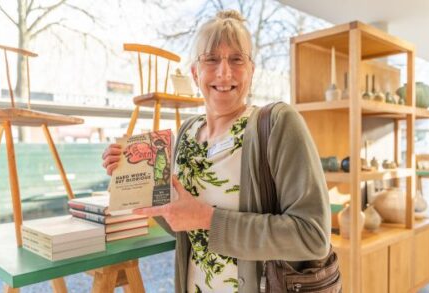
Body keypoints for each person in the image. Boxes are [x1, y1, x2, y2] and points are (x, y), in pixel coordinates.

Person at [102, 10, 330, 293]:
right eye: (211, 59)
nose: (224, 72)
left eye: (237, 59)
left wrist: (208, 219)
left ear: (251, 71)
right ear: (196, 72)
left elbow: (313, 237)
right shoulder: (186, 133)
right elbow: (185, 227)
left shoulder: (277, 125)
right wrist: (131, 174)